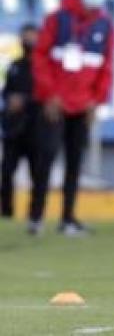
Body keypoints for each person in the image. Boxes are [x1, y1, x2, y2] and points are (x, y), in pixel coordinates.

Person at [31, 0, 114, 236]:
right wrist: (49, 95)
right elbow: (41, 57)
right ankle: (36, 216)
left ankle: (67, 219)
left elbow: (107, 66)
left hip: (83, 105)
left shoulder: (105, 25)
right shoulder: (57, 19)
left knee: (74, 164)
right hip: (55, 104)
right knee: (44, 160)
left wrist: (97, 100)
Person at [1, 24, 41, 222]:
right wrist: (10, 102)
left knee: (37, 174)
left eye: (33, 37)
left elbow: (44, 95)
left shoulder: (43, 68)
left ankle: (34, 215)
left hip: (36, 129)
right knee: (7, 171)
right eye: (26, 37)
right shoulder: (15, 65)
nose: (29, 41)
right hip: (14, 128)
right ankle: (6, 212)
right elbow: (7, 91)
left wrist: (24, 100)